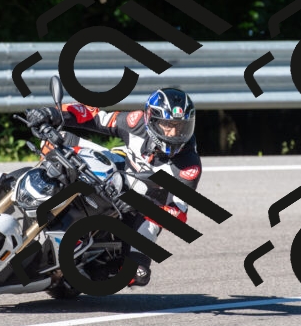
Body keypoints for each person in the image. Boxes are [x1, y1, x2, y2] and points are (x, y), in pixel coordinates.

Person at [25, 87, 202, 287]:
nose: (175, 133)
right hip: (117, 171)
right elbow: (95, 116)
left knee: (137, 275)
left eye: (181, 126)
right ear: (151, 120)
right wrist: (52, 113)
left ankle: (82, 265)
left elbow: (178, 214)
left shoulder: (188, 167)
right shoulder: (136, 122)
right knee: (59, 140)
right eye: (168, 125)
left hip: (145, 210)